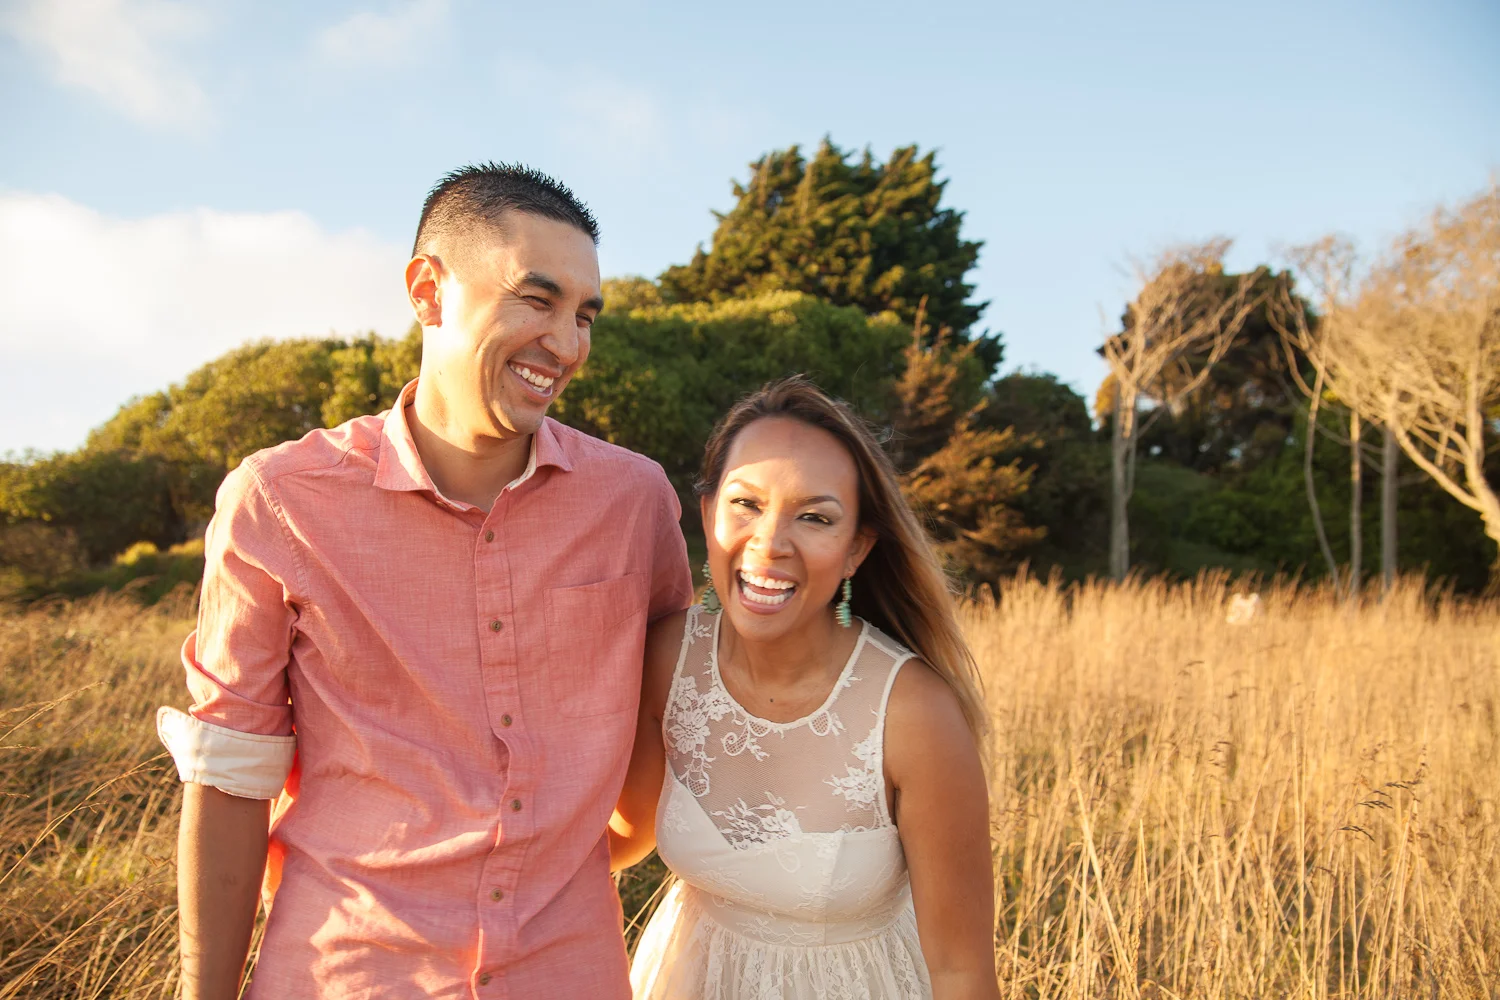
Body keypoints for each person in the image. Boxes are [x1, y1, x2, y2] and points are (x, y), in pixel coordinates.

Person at [156, 163, 692, 999]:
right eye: (536, 300)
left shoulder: (635, 502)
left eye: (584, 315)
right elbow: (230, 784)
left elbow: (663, 724)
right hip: (343, 976)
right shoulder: (279, 499)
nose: (568, 342)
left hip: (569, 974)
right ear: (427, 291)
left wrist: (565, 861)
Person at [611, 377, 1001, 1000]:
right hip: (690, 977)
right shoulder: (667, 657)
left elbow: (961, 971)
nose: (770, 545)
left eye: (815, 517)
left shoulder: (914, 714)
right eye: (746, 504)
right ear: (708, 515)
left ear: (856, 550)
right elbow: (624, 838)